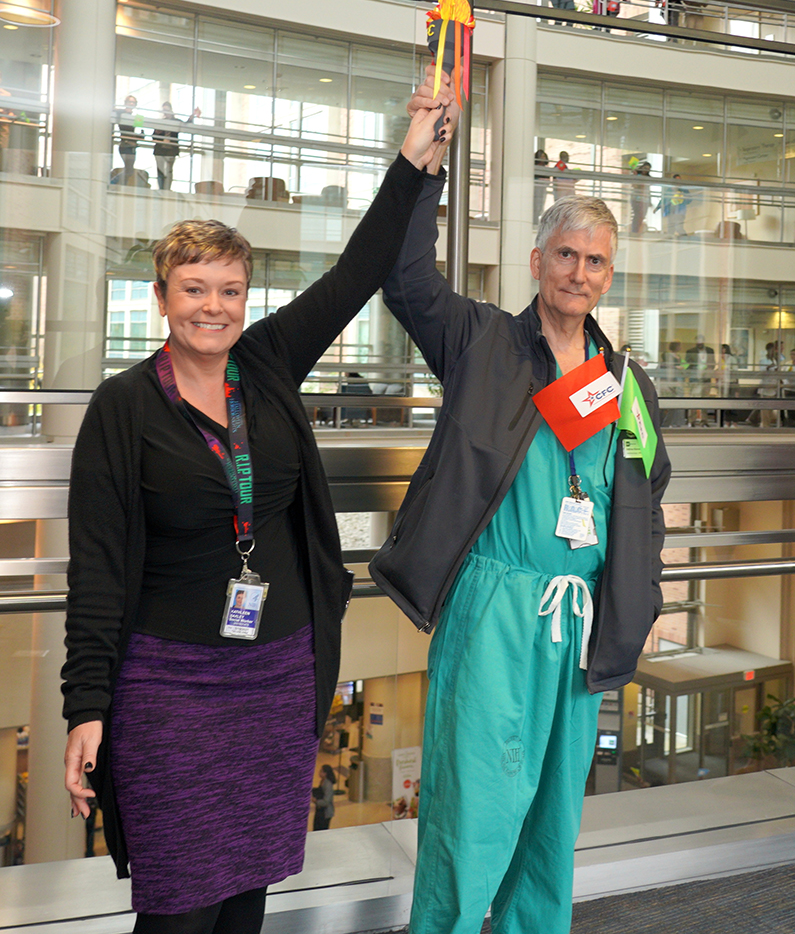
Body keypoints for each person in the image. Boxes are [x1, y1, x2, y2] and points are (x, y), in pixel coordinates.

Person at [61, 104, 449, 934]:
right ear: (162, 296)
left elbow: (355, 273)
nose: (213, 307)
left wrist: (413, 164)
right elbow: (94, 569)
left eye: (230, 290)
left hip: (277, 675)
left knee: (245, 900)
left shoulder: (266, 363)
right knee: (177, 910)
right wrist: (85, 706)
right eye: (194, 289)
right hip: (166, 688)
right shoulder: (122, 407)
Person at [370, 67, 671, 934]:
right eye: (565, 254)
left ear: (609, 276)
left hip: (582, 628)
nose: (578, 272)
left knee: (550, 830)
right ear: (537, 260)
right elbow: (404, 278)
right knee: (473, 814)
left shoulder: (623, 382)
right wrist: (419, 167)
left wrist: (637, 602)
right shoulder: (480, 344)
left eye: (595, 261)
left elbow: (648, 488)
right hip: (496, 610)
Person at [152, 101, 202, 191]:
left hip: (170, 149)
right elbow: (154, 137)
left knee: (168, 171)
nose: (165, 113)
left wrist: (192, 116)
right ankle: (162, 188)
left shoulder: (176, 121)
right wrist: (157, 132)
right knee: (160, 171)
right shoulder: (161, 122)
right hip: (160, 149)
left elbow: (185, 125)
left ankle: (166, 189)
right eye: (164, 111)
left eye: (166, 110)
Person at [114, 94, 143, 184]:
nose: (131, 104)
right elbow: (114, 111)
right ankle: (115, 182)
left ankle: (121, 183)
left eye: (133, 102)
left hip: (132, 145)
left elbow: (138, 131)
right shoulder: (122, 113)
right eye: (129, 102)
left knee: (129, 169)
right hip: (125, 144)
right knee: (129, 169)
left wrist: (140, 135)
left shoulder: (136, 117)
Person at [630, 159, 652, 234]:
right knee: (637, 216)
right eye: (645, 168)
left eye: (648, 169)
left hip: (645, 199)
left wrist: (650, 201)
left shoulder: (649, 178)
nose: (646, 170)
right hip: (637, 199)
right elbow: (634, 185)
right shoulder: (638, 175)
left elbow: (648, 190)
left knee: (642, 216)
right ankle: (634, 231)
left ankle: (638, 230)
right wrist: (635, 176)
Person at [312, 764, 336, 831]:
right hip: (320, 810)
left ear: (326, 773)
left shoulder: (328, 784)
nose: (319, 772)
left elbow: (326, 801)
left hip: (325, 813)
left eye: (321, 771)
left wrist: (316, 801)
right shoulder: (323, 781)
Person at [533, 148, 550, 223]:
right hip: (535, 189)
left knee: (540, 206)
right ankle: (534, 221)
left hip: (542, 189)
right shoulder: (534, 168)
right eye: (541, 156)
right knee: (535, 206)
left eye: (544, 156)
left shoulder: (546, 169)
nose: (542, 158)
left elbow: (548, 181)